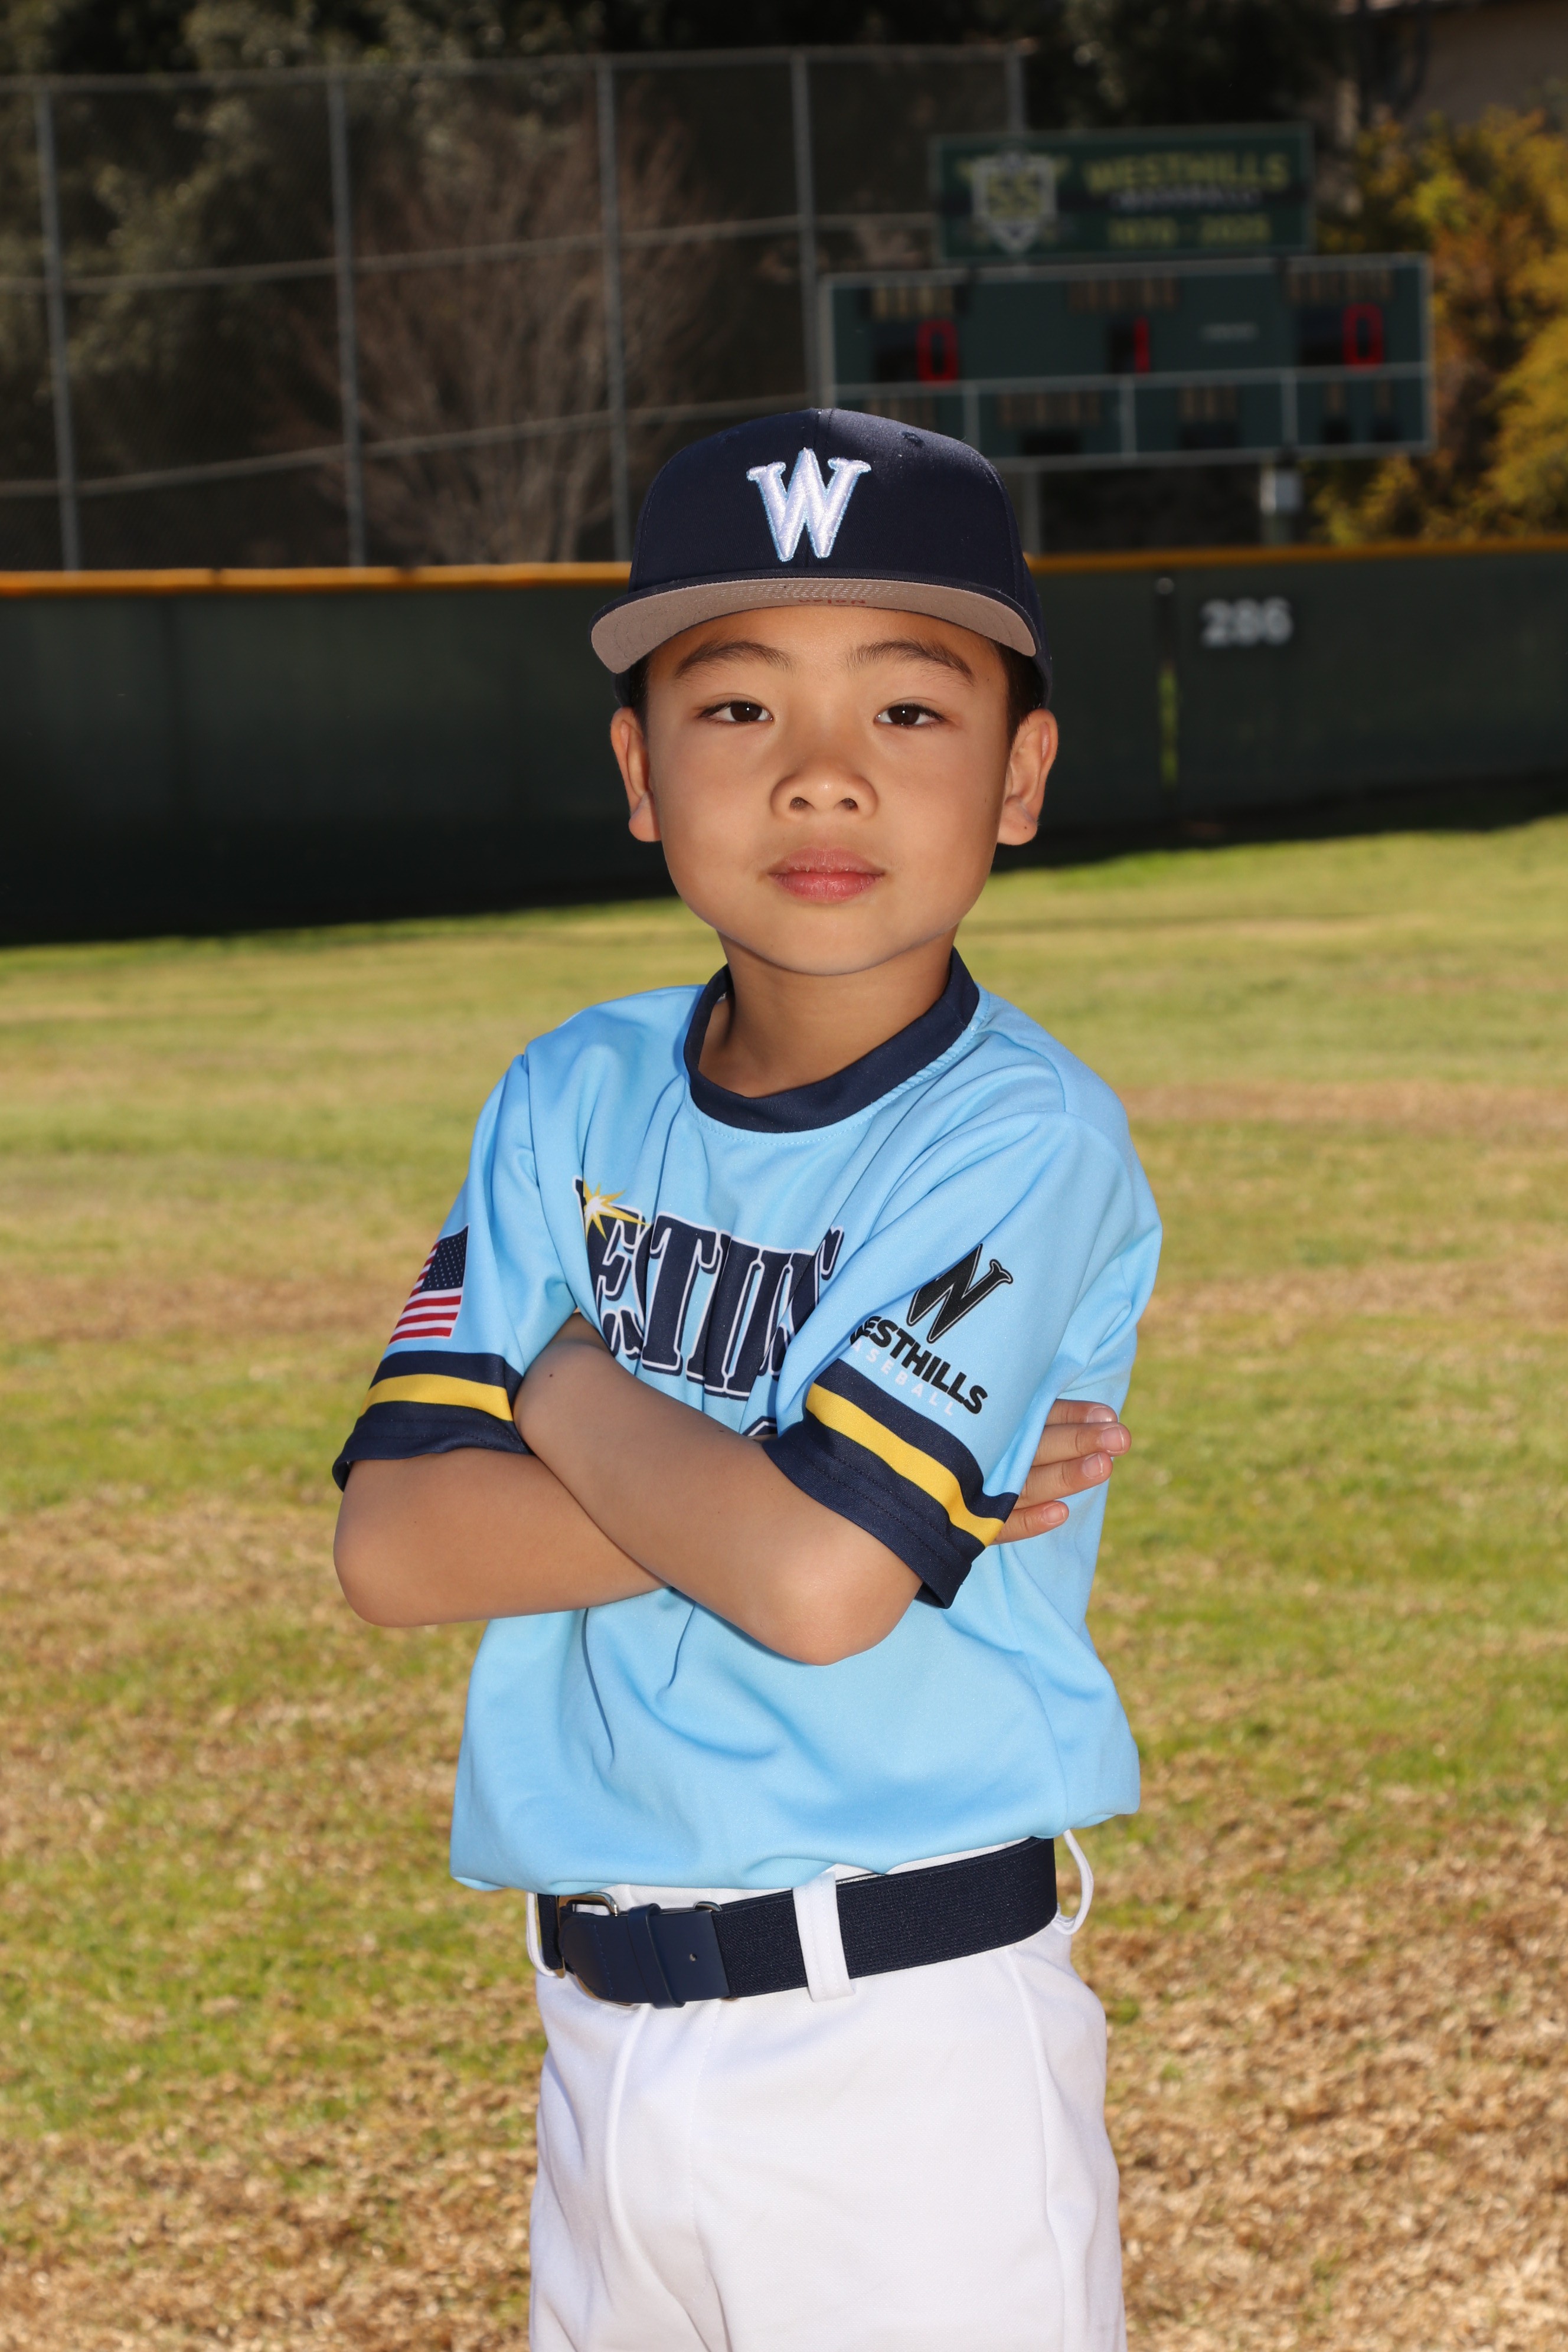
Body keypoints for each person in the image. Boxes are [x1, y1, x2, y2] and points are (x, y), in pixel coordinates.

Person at [332, 408, 1161, 2352]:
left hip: (910, 2054)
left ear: (1022, 775)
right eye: (735, 708)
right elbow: (398, 1548)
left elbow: (814, 1586)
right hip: (598, 2044)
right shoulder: (572, 1090)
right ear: (640, 771)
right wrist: (793, 1480)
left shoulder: (1019, 1134)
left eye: (908, 708)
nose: (819, 774)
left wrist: (553, 1376)